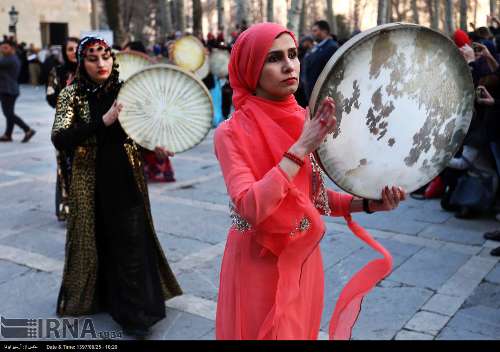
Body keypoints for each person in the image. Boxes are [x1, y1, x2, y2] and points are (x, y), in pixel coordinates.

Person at [214, 23, 406, 340]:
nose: (289, 65)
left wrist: (370, 204)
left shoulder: (305, 118)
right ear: (250, 68)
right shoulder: (231, 132)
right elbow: (250, 206)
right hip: (257, 263)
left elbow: (313, 198)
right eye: (274, 58)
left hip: (303, 260)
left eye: (293, 54)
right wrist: (301, 147)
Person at [51, 36, 182, 338]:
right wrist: (104, 121)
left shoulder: (126, 90)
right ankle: (105, 297)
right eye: (92, 58)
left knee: (132, 240)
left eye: (105, 57)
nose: (101, 64)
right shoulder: (71, 94)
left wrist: (156, 149)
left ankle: (136, 314)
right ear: (81, 62)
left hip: (126, 176)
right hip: (90, 180)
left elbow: (139, 133)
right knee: (98, 239)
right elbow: (60, 138)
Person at [46, 37, 79, 221]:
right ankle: (68, 207)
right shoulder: (57, 71)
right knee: (65, 167)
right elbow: (50, 97)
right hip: (65, 126)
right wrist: (66, 97)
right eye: (69, 49)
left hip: (87, 126)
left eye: (77, 48)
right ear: (65, 52)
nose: (73, 52)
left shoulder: (89, 69)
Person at [0, 39, 36, 142]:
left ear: (12, 48)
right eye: (1, 47)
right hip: (10, 89)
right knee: (9, 113)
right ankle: (8, 134)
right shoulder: (10, 57)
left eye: (5, 47)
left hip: (8, 90)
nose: (2, 49)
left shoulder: (9, 59)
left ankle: (27, 130)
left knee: (8, 114)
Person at [303, 20, 339, 101]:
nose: (313, 33)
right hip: (310, 91)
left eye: (315, 31)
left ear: (324, 31)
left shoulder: (331, 47)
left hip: (321, 94)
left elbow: (332, 72)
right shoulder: (317, 47)